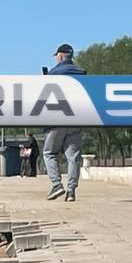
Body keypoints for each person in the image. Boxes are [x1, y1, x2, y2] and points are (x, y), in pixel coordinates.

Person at [44, 44, 86, 202]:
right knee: (73, 157)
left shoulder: (52, 74)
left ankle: (56, 185)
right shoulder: (82, 73)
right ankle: (71, 191)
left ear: (60, 56)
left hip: (56, 120)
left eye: (56, 56)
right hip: (77, 119)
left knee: (49, 153)